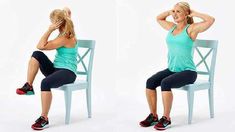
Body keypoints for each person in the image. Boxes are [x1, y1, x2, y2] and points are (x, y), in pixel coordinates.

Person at [139, 2, 215, 130]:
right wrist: (171, 12)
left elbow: (211, 20)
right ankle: (153, 116)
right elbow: (158, 18)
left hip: (188, 72)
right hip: (172, 69)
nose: (175, 14)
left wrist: (195, 13)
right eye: (174, 11)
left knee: (165, 83)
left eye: (178, 11)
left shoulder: (191, 29)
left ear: (186, 14)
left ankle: (166, 118)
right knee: (150, 82)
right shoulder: (172, 28)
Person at [16, 8, 78, 130]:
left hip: (68, 73)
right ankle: (29, 86)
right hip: (56, 69)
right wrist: (65, 13)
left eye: (53, 22)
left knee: (45, 83)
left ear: (58, 23)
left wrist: (49, 30)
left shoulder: (65, 37)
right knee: (36, 54)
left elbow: (41, 45)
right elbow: (67, 10)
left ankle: (44, 118)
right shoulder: (66, 29)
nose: (51, 24)